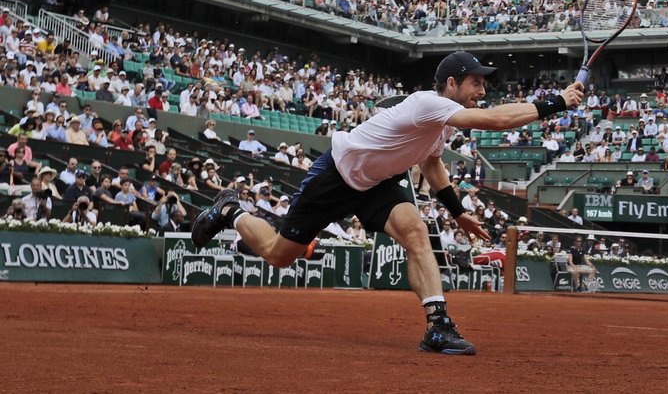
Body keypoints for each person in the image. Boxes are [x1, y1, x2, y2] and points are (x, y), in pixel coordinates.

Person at [190, 50, 584, 355]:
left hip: (377, 184)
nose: (482, 92)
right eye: (476, 83)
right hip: (337, 175)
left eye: (484, 85)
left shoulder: (442, 125)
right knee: (279, 254)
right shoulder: (427, 104)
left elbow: (432, 165)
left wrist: (458, 212)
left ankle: (438, 325)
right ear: (451, 83)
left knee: (415, 231)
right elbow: (497, 120)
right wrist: (558, 102)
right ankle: (231, 210)